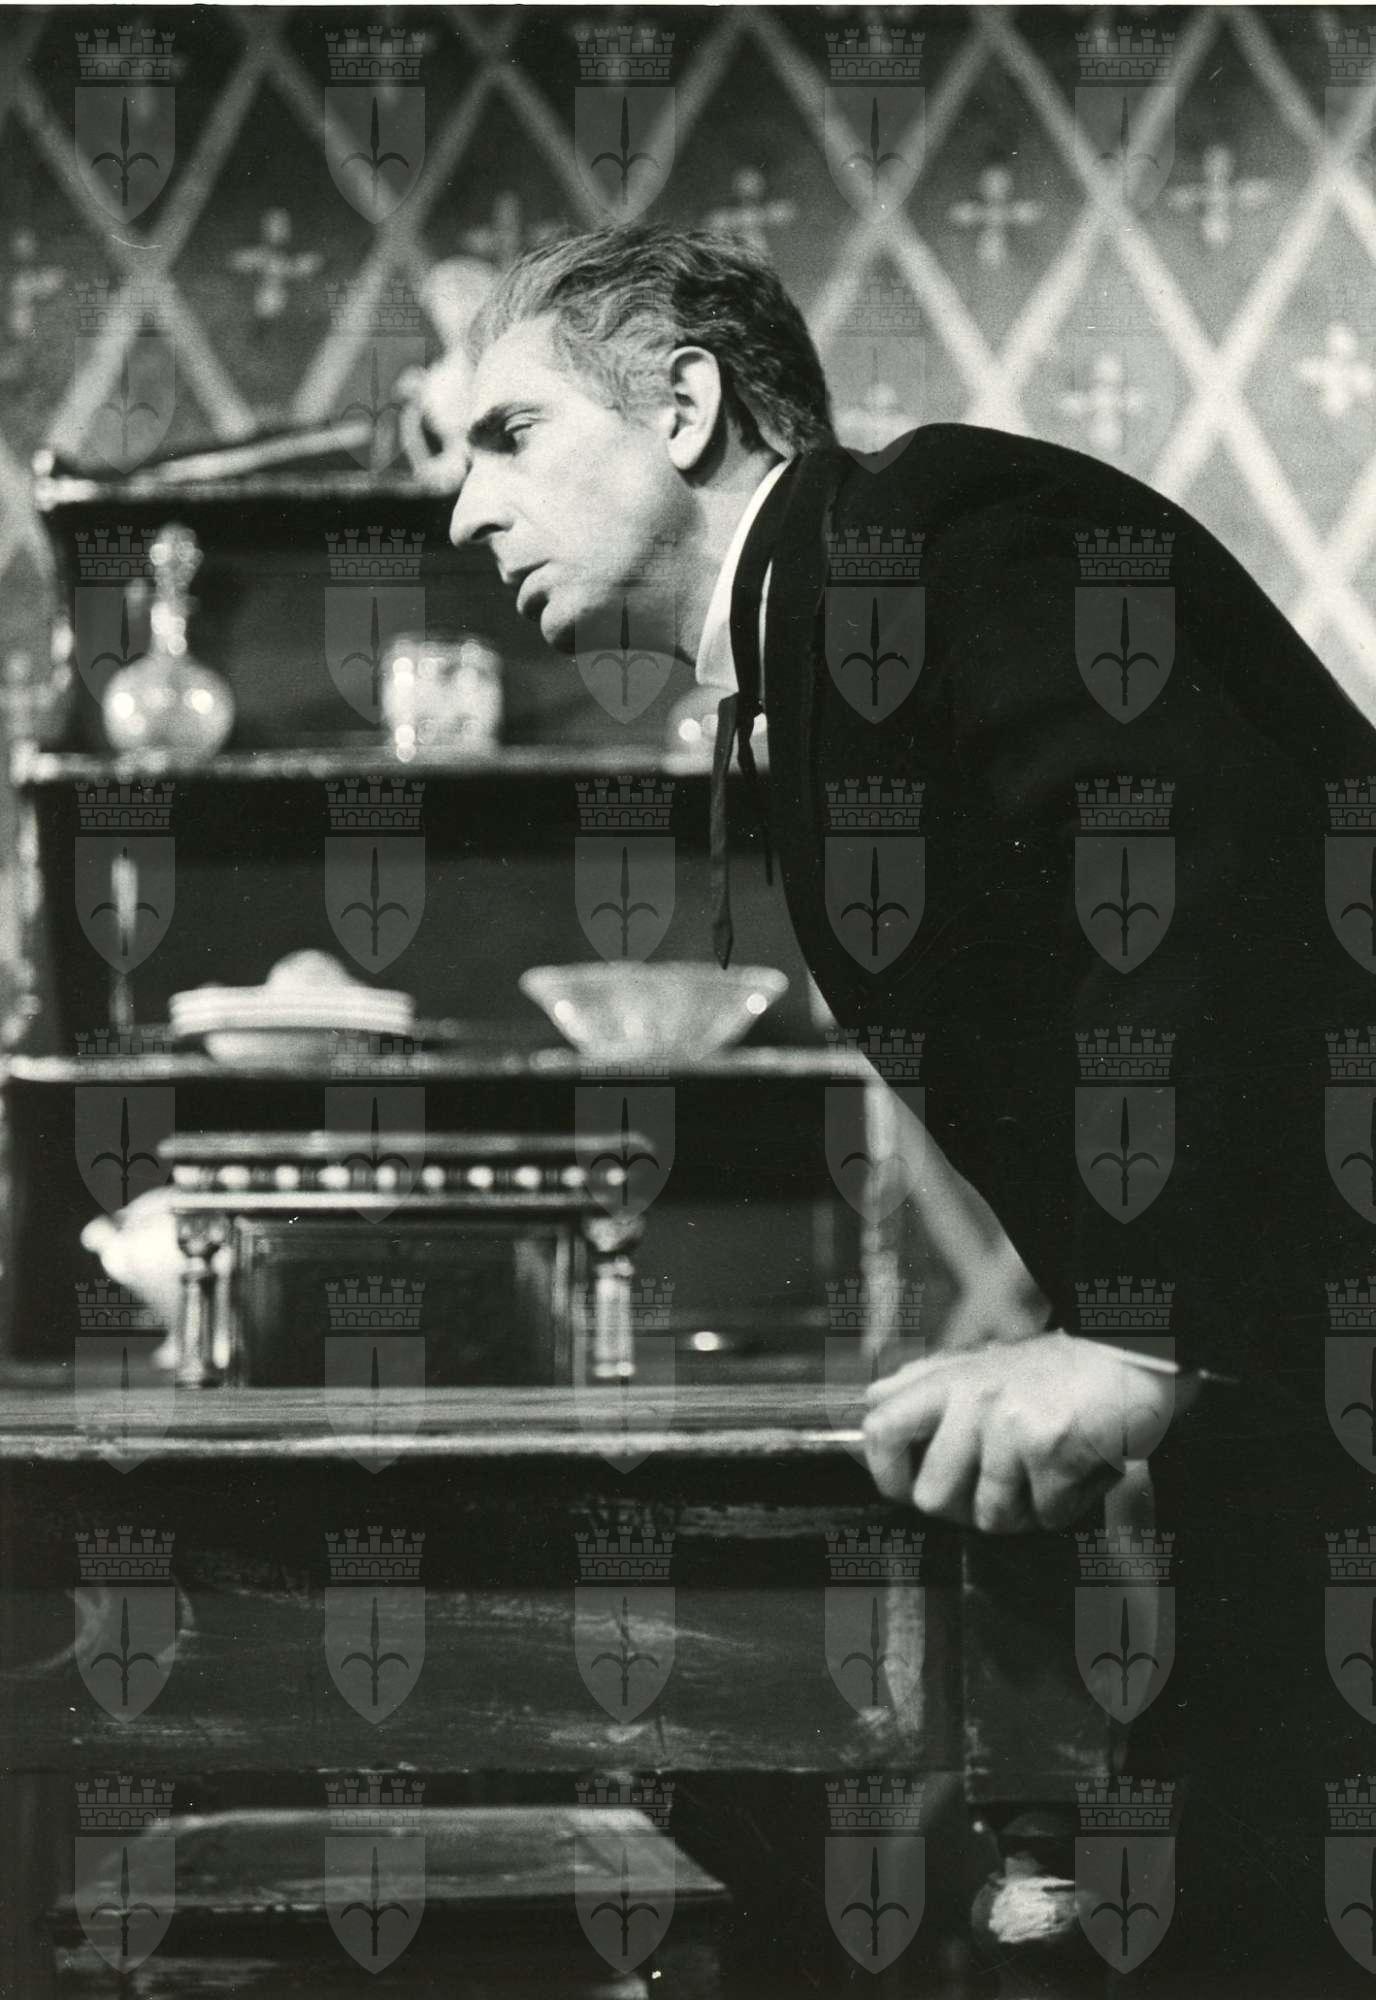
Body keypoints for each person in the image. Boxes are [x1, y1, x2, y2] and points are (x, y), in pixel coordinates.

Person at [446, 224, 1376, 1990]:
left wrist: (1141, 1335)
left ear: (685, 406)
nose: (462, 514)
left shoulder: (944, 533)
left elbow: (1219, 888)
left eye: (506, 435)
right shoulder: (819, 628)